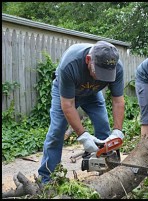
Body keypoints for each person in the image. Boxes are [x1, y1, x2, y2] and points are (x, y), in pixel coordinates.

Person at [38, 41, 125, 184]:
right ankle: (46, 179)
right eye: (99, 72)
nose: (102, 78)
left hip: (93, 94)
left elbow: (118, 101)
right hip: (67, 94)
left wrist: (118, 131)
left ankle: (108, 172)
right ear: (88, 60)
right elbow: (68, 105)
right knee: (57, 131)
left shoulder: (117, 67)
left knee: (103, 127)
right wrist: (83, 136)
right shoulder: (70, 64)